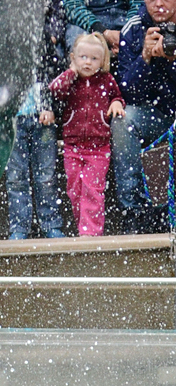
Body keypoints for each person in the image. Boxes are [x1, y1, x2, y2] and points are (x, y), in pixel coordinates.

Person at [5, 0, 66, 240]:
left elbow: (55, 82)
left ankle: (51, 223)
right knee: (16, 179)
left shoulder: (46, 50)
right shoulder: (1, 56)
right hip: (13, 122)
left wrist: (51, 106)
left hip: (42, 120)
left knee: (46, 176)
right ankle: (19, 227)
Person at [114, 0, 176, 231]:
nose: (159, 5)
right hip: (154, 114)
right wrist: (145, 58)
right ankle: (134, 210)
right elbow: (128, 91)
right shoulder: (135, 28)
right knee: (123, 120)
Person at [50, 32, 124, 236]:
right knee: (74, 190)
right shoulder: (70, 81)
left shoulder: (106, 80)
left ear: (102, 61)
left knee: (92, 190)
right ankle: (83, 224)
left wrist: (116, 102)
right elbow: (55, 90)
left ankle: (90, 232)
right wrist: (71, 72)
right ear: (73, 58)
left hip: (99, 148)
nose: (88, 63)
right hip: (72, 146)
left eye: (94, 58)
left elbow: (117, 96)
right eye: (83, 57)